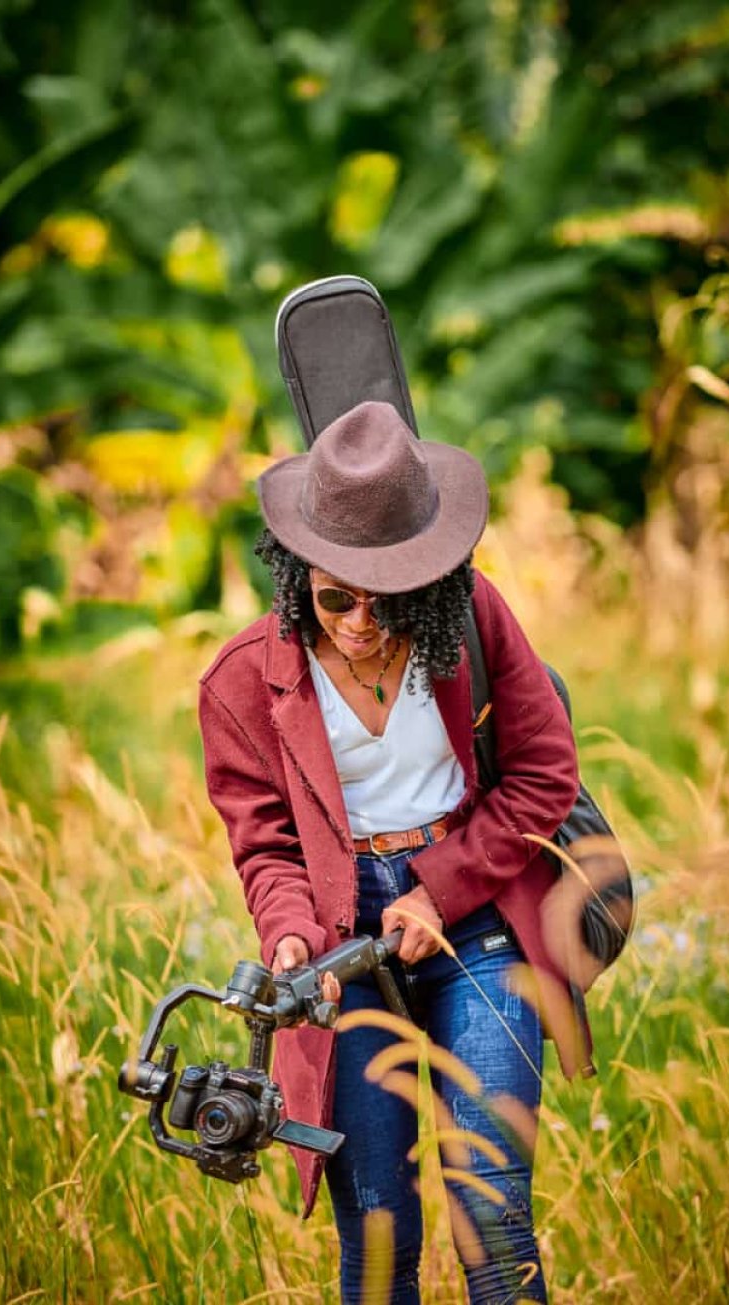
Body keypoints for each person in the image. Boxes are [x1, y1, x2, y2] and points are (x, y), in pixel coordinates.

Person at [199, 400, 585, 1304]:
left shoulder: (475, 622)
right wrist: (292, 940)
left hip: (477, 920)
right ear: (298, 576)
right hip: (341, 951)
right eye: (336, 597)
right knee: (378, 1233)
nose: (363, 622)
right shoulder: (239, 682)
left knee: (491, 1212)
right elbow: (265, 847)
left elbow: (544, 774)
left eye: (394, 597)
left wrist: (439, 892)